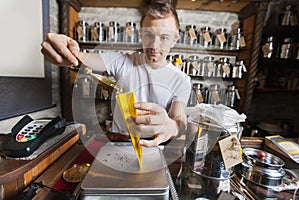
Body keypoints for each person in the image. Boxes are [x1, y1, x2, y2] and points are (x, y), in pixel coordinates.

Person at [41, 2, 191, 147]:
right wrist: (65, 51)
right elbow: (81, 58)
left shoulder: (181, 80)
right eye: (148, 35)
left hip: (155, 145)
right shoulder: (123, 61)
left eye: (164, 37)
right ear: (141, 34)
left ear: (174, 40)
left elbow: (179, 120)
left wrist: (172, 126)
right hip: (118, 143)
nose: (154, 45)